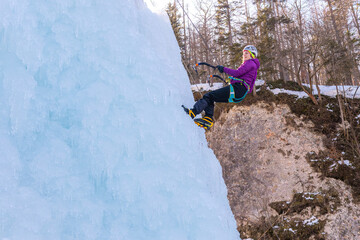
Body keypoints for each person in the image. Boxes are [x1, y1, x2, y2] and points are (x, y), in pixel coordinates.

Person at [183, 45, 260, 129]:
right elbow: (245, 80)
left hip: (238, 89)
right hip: (239, 91)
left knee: (209, 96)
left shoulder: (250, 63)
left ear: (252, 55)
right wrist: (233, 81)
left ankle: (193, 112)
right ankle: (208, 119)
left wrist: (223, 69)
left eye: (246, 53)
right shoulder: (252, 65)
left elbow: (237, 73)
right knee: (211, 98)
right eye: (243, 53)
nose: (244, 55)